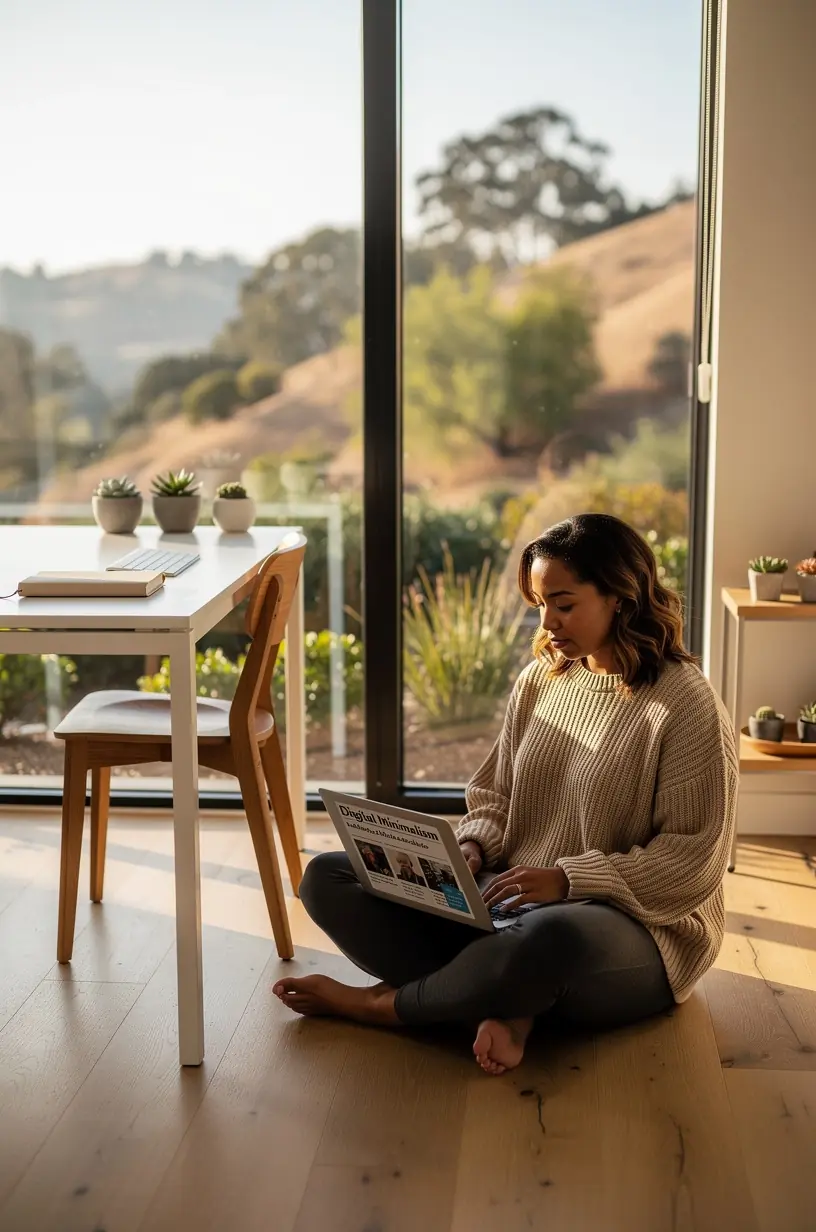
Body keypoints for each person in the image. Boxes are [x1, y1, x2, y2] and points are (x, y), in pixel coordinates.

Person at [274, 514, 738, 1076]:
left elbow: (692, 862)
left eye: (563, 604)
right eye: (539, 603)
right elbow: (494, 795)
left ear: (619, 595)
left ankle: (381, 1004)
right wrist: (471, 850)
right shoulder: (541, 680)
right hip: (505, 901)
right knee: (329, 876)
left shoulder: (686, 704)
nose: (548, 622)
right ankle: (507, 1003)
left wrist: (570, 880)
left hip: (632, 925)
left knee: (548, 939)